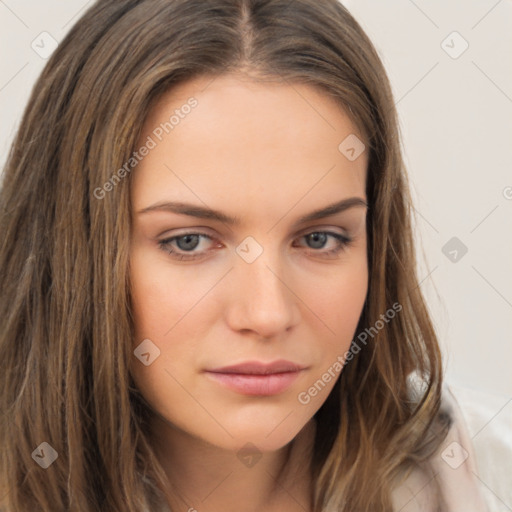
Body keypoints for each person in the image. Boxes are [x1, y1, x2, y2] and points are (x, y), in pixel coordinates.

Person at [0, 1, 492, 511]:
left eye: (320, 238)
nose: (268, 314)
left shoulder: (485, 473)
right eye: (188, 241)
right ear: (71, 250)